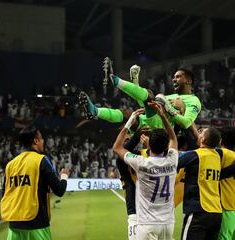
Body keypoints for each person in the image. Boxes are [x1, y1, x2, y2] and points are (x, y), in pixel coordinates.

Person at [113, 101, 178, 240]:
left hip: (145, 221)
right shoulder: (172, 160)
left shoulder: (141, 162)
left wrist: (130, 122)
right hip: (167, 222)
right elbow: (173, 137)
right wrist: (162, 116)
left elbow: (117, 148)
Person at [1, 126, 70, 240]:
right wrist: (64, 176)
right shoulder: (41, 160)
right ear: (35, 141)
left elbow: (5, 195)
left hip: (14, 226)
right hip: (37, 224)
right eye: (41, 138)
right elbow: (59, 190)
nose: (43, 141)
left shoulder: (10, 165)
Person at [80, 66, 201, 131]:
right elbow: (145, 104)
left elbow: (186, 123)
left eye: (178, 77)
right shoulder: (171, 96)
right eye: (174, 77)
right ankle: (95, 112)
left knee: (149, 94)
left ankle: (117, 81)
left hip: (164, 126)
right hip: (149, 122)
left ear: (188, 81)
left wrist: (169, 108)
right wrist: (136, 85)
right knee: (126, 114)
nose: (174, 79)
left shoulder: (194, 100)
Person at [177, 127, 223, 240]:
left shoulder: (194, 155)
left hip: (198, 211)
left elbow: (171, 163)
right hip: (216, 212)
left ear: (202, 139)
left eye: (201, 132)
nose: (199, 132)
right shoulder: (218, 156)